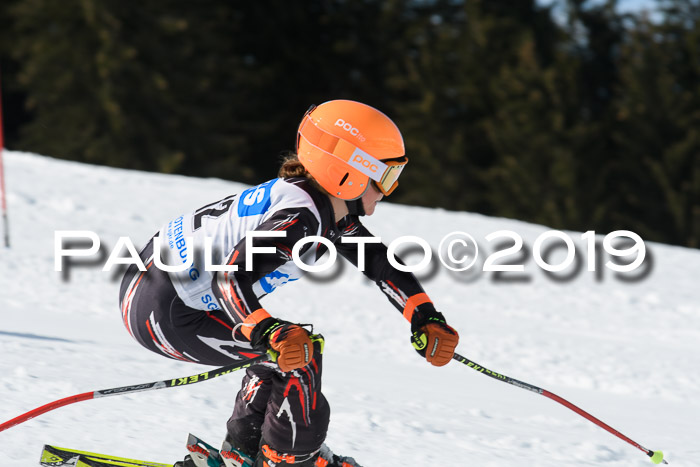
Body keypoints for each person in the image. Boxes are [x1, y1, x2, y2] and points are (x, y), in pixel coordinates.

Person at [118, 100, 460, 467]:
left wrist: (425, 316)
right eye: (387, 177)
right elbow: (228, 275)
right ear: (351, 172)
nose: (388, 190)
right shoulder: (301, 217)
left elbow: (378, 261)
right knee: (298, 356)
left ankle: (243, 451)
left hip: (153, 291)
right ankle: (289, 459)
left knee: (283, 350)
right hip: (168, 311)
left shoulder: (318, 204)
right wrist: (269, 331)